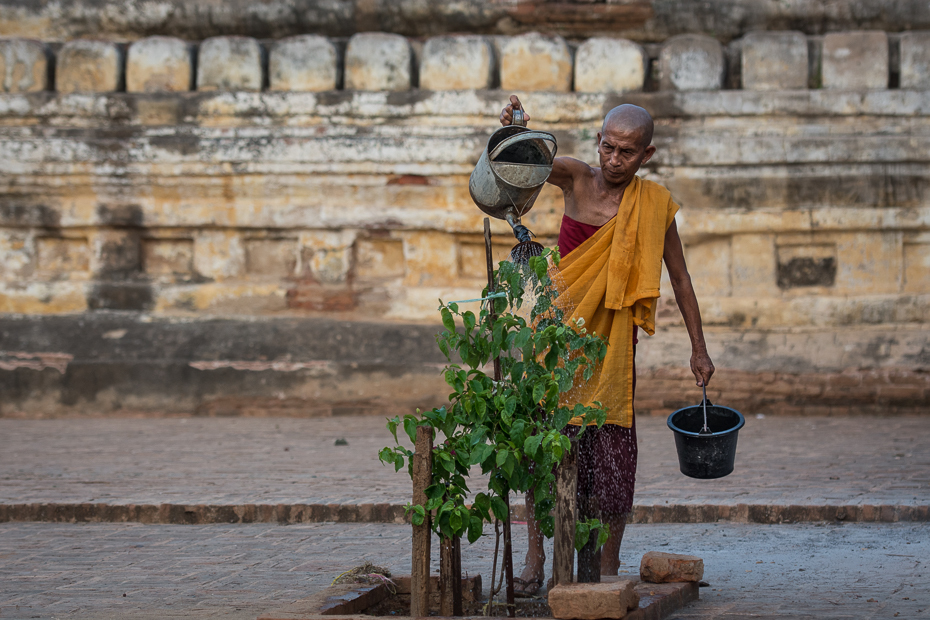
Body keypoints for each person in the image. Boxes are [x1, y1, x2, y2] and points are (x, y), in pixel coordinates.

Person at [499, 95, 716, 595]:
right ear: (597, 141)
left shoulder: (654, 207)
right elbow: (524, 163)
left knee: (612, 451)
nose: (612, 159)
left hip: (614, 347)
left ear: (647, 155)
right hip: (557, 340)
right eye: (607, 146)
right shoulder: (576, 177)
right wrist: (516, 130)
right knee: (543, 448)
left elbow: (680, 280)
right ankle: (536, 563)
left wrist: (698, 350)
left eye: (625, 152)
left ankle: (608, 568)